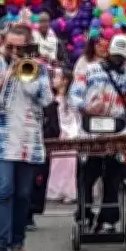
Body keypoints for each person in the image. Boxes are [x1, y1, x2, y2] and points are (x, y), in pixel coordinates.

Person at [0, 24, 54, 251]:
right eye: (9, 46)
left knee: (22, 195)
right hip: (0, 141)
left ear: (28, 46)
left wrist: (29, 80)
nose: (13, 52)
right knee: (3, 190)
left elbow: (47, 100)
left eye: (19, 48)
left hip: (28, 141)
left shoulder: (39, 70)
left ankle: (17, 240)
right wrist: (0, 83)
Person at [68, 34, 126, 233]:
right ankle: (84, 214)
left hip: (118, 130)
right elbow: (74, 96)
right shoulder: (89, 70)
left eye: (122, 58)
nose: (117, 61)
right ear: (108, 52)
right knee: (86, 175)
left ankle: (108, 219)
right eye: (115, 57)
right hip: (90, 131)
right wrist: (86, 107)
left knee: (113, 177)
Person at [46, 68, 78, 204]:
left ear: (65, 80)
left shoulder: (71, 99)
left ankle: (69, 191)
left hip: (69, 132)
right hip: (58, 131)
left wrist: (70, 132)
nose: (54, 80)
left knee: (69, 161)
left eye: (57, 77)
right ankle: (56, 189)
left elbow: (73, 118)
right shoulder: (51, 98)